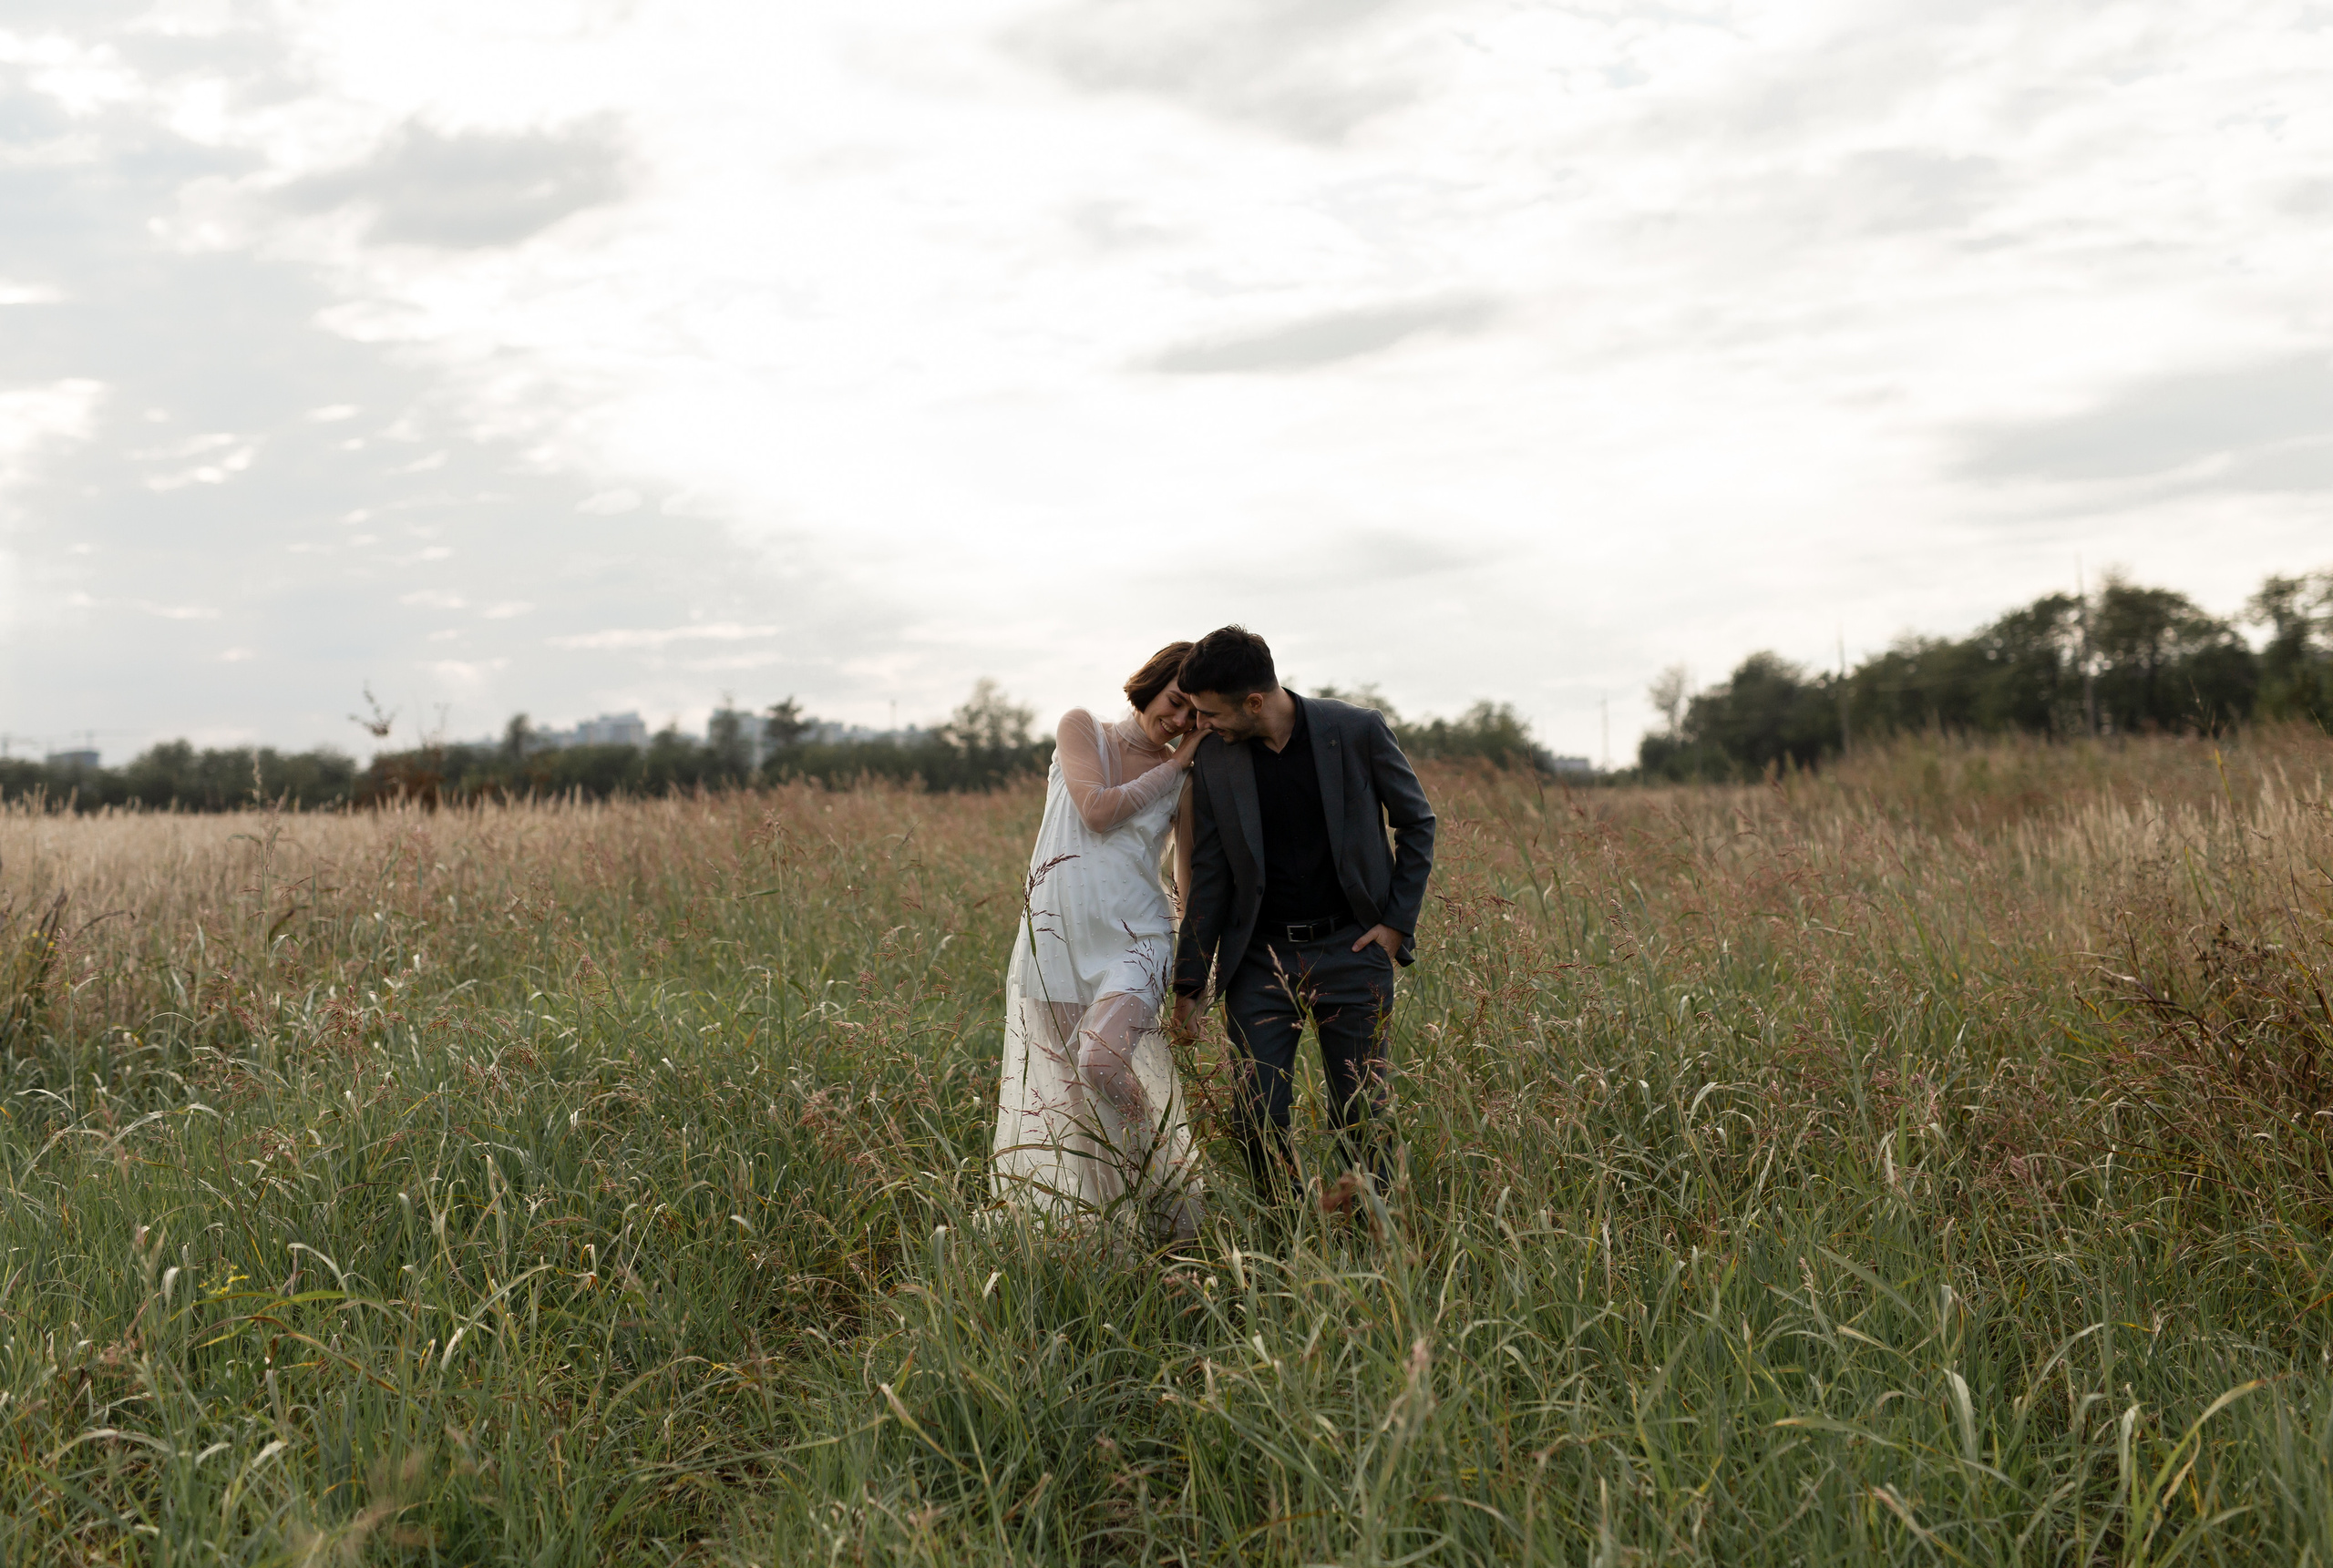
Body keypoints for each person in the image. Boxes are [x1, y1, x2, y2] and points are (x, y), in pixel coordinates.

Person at [1170, 626, 1436, 1205]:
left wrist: (1395, 924)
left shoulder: (1357, 729)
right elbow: (1210, 872)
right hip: (1258, 964)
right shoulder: (1215, 759)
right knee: (1256, 1111)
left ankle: (1379, 1235)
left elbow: (1418, 823)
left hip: (1354, 951)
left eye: (1210, 714)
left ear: (1255, 701)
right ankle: (1287, 1228)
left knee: (1360, 1111)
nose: (1201, 726)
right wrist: (1190, 981)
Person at [992, 641, 1208, 1243]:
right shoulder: (1080, 727)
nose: (1181, 722)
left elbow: (1187, 882)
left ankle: (1161, 1179)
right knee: (1068, 1106)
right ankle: (1101, 1237)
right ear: (1154, 684)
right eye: (1176, 703)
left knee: (1102, 1059)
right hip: (1053, 940)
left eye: (1196, 718)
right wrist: (1181, 757)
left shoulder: (1186, 779)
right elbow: (1096, 808)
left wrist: (1195, 978)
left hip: (1135, 937)